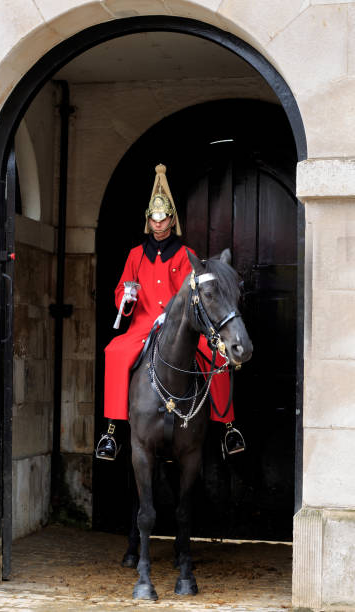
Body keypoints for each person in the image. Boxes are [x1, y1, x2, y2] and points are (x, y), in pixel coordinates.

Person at [96, 164, 245, 460]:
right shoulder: (135, 255)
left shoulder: (183, 253)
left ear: (171, 220)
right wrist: (127, 297)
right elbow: (120, 296)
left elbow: (190, 294)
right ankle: (111, 431)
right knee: (114, 352)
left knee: (219, 355)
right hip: (142, 327)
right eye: (154, 218)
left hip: (178, 327)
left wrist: (173, 316)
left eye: (163, 219)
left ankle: (228, 427)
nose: (158, 223)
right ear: (148, 220)